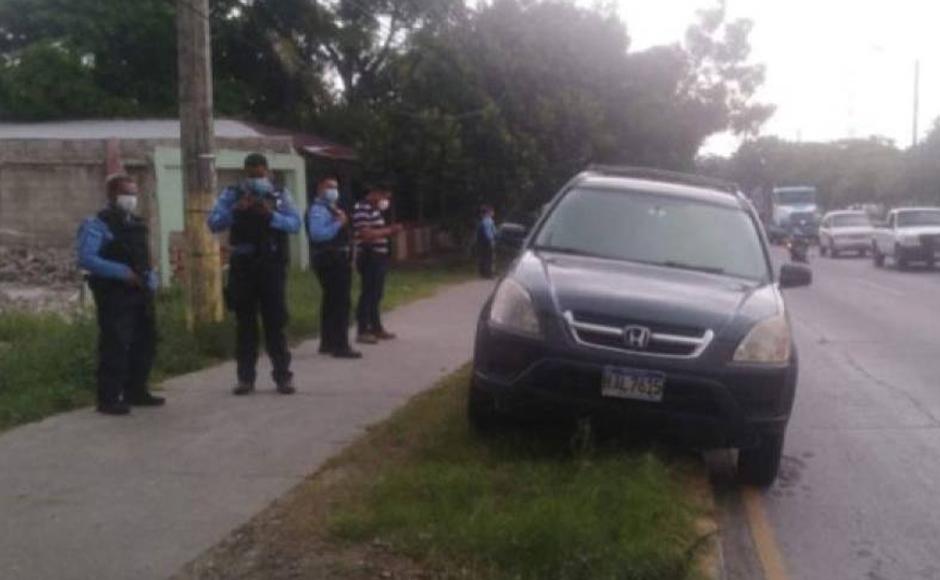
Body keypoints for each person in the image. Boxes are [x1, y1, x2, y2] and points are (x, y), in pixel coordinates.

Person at [207, 153, 302, 395]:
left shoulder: (280, 195)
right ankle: (245, 379)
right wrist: (236, 210)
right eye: (251, 175)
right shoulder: (233, 194)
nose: (256, 179)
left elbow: (295, 224)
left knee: (275, 323)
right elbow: (214, 223)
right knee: (245, 325)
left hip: (271, 265)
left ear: (268, 172)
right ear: (245, 174)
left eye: (260, 174)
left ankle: (283, 377)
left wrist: (270, 215)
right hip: (243, 265)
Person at [77, 173, 164, 415]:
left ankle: (136, 390)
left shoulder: (135, 224)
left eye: (134, 193)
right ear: (112, 195)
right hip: (114, 293)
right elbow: (87, 258)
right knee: (115, 344)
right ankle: (108, 398)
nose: (131, 198)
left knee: (145, 342)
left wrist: (151, 278)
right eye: (127, 193)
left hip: (140, 291)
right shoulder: (97, 224)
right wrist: (122, 273)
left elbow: (145, 257)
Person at [307, 177, 361, 359]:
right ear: (320, 188)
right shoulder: (318, 210)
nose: (334, 191)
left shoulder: (332, 208)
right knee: (340, 302)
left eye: (336, 187)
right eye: (329, 187)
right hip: (330, 259)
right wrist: (339, 223)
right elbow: (318, 234)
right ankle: (340, 345)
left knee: (331, 301)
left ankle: (328, 342)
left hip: (339, 258)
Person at [353, 187, 403, 344]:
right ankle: (363, 329)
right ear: (374, 192)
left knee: (376, 293)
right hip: (369, 255)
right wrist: (390, 230)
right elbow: (366, 234)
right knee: (368, 293)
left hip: (379, 256)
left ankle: (376, 327)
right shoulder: (362, 209)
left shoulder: (375, 211)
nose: (386, 200)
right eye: (384, 195)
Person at [477, 205, 497, 279]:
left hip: (481, 243)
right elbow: (490, 233)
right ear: (489, 213)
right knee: (490, 258)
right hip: (487, 242)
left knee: (483, 257)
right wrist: (492, 240)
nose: (493, 213)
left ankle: (483, 274)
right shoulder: (488, 221)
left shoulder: (483, 221)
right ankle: (489, 274)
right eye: (492, 211)